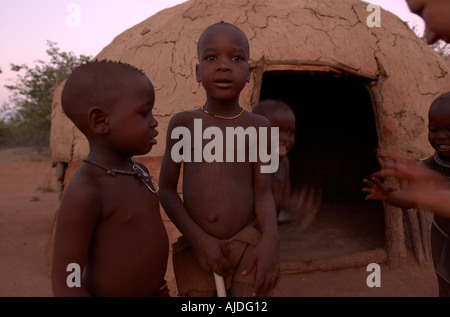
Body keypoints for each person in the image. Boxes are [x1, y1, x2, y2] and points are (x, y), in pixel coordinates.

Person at [158, 22, 280, 297]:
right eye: (211, 58)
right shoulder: (184, 125)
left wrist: (271, 240)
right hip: (197, 246)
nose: (224, 66)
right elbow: (166, 191)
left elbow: (264, 193)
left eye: (236, 58)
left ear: (249, 72)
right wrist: (198, 239)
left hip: (247, 244)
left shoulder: (261, 127)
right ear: (198, 71)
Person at [51, 60, 169, 297]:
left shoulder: (139, 172)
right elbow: (67, 277)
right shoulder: (88, 191)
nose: (154, 122)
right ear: (100, 121)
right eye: (144, 113)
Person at [363, 91, 450, 296]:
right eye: (434, 129)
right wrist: (390, 196)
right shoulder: (431, 165)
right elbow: (412, 199)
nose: (441, 136)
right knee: (445, 283)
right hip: (444, 235)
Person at [252, 99, 322, 228]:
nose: (285, 138)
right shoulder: (249, 164)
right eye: (276, 131)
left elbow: (283, 198)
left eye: (290, 132)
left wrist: (293, 206)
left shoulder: (284, 163)